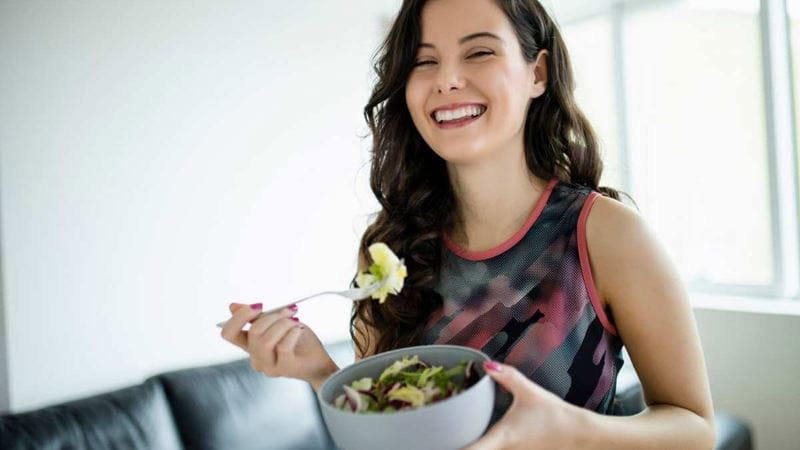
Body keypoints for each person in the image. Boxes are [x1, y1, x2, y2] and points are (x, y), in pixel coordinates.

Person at [221, 0, 717, 448]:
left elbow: (695, 430)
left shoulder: (606, 234)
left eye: (479, 52)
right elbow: (390, 431)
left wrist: (565, 430)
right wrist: (319, 372)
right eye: (424, 60)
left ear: (537, 73)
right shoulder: (390, 249)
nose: (446, 79)